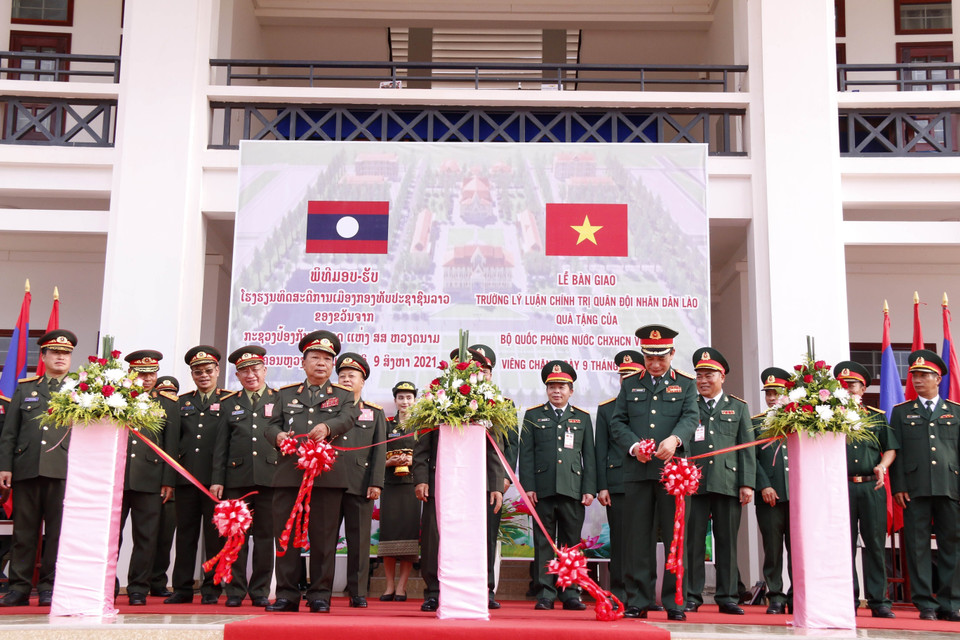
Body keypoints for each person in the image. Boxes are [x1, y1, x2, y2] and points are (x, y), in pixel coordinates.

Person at [608, 324, 698, 621]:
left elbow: (690, 417)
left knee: (674, 537)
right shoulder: (630, 384)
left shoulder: (685, 384)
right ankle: (638, 599)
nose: (655, 364)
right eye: (650, 358)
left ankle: (675, 602)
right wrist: (634, 447)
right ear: (643, 356)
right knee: (637, 538)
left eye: (661, 358)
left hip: (673, 474)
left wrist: (675, 439)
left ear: (672, 353)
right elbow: (618, 422)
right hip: (637, 472)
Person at [267, 330, 360, 613]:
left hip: (326, 477)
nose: (321, 363)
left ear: (333, 366)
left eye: (327, 359)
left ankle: (320, 595)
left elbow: (348, 418)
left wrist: (328, 427)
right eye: (315, 358)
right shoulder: (284, 395)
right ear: (304, 362)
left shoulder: (344, 395)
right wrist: (279, 437)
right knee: (286, 535)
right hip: (289, 474)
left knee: (323, 538)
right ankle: (286, 595)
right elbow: (270, 425)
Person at [412, 347, 502, 613]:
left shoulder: (489, 402)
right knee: (434, 536)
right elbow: (422, 446)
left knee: (478, 537)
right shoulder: (435, 397)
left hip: (478, 484)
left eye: (477, 367)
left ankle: (481, 590)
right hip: (438, 480)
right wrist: (420, 478)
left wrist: (496, 485)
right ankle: (433, 592)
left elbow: (495, 450)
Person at [0, 330, 77, 607]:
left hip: (64, 471)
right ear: (43, 356)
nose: (60, 357)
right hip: (27, 468)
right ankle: (19, 587)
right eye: (55, 352)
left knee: (57, 533)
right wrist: (5, 467)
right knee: (24, 532)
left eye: (65, 353)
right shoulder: (25, 388)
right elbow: (10, 432)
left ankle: (49, 586)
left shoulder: (81, 391)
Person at [519, 360, 596, 611]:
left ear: (571, 390)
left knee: (570, 542)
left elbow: (589, 457)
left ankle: (570, 592)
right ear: (546, 389)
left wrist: (589, 488)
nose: (557, 391)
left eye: (562, 386)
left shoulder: (582, 418)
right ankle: (545, 592)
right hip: (542, 490)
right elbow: (526, 454)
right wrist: (528, 486)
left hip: (573, 489)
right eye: (552, 386)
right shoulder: (533, 415)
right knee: (543, 542)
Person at [890, 350, 960, 621]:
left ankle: (950, 602)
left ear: (938, 378)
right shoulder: (902, 412)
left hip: (949, 487)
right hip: (914, 489)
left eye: (923, 376)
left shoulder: (955, 411)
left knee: (951, 545)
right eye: (914, 376)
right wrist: (898, 486)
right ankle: (924, 603)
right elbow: (897, 453)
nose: (917, 381)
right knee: (917, 546)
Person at [684, 347, 755, 615]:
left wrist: (747, 483)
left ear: (722, 376)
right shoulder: (688, 407)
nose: (703, 380)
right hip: (694, 484)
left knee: (726, 542)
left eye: (709, 375)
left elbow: (746, 447)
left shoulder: (738, 407)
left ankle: (727, 596)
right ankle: (692, 595)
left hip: (728, 483)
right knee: (694, 543)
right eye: (699, 375)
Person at [210, 345, 281, 607]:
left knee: (265, 538)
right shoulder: (229, 403)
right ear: (237, 377)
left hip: (270, 477)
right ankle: (235, 591)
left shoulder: (280, 399)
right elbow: (221, 446)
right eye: (244, 371)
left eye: (255, 369)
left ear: (265, 370)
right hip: (236, 479)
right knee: (236, 537)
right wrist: (217, 479)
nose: (250, 375)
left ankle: (260, 590)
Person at [165, 346, 229, 605]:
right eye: (197, 371)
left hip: (216, 483)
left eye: (208, 371)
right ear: (192, 374)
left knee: (215, 538)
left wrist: (220, 479)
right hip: (186, 480)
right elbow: (171, 445)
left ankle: (212, 588)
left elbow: (226, 445)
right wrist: (169, 480)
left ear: (217, 371)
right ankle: (181, 588)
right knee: (186, 535)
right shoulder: (182, 402)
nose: (203, 375)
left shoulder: (228, 401)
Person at [834, 361, 897, 618]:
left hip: (871, 487)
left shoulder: (876, 416)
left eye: (852, 385)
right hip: (841, 487)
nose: (847, 389)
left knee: (874, 543)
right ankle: (846, 599)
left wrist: (882, 465)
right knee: (843, 545)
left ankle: (878, 600)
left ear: (863, 387)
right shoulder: (826, 418)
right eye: (842, 385)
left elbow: (890, 449)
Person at [120, 350, 179, 605]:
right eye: (141, 374)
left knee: (146, 538)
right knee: (112, 535)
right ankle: (107, 582)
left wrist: (168, 481)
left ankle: (138, 588)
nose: (146, 379)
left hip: (151, 479)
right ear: (130, 374)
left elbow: (171, 446)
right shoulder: (116, 399)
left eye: (151, 374)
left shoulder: (167, 403)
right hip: (118, 479)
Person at [333, 352, 386, 608]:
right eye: (342, 376)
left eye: (351, 376)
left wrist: (376, 482)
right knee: (324, 541)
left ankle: (358, 592)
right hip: (328, 484)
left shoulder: (374, 413)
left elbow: (379, 450)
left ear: (362, 381)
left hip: (361, 485)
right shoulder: (326, 410)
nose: (346, 380)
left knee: (359, 541)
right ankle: (319, 590)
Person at [594, 349, 644, 607]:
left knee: (645, 540)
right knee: (621, 541)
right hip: (618, 484)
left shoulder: (651, 405)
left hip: (647, 482)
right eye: (623, 375)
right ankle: (619, 593)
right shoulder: (607, 409)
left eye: (633, 374)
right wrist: (602, 486)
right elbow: (600, 450)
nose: (627, 379)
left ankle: (643, 594)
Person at [469, 343, 514, 609]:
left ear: (490, 374)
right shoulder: (449, 402)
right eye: (475, 368)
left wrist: (503, 478)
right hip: (458, 483)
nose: (480, 373)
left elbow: (507, 445)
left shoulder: (502, 404)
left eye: (484, 370)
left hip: (489, 482)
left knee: (487, 537)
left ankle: (486, 589)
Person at [752, 367, 792, 615]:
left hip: (798, 496)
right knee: (773, 549)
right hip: (769, 496)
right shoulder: (756, 423)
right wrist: (764, 485)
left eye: (776, 392)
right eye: (768, 393)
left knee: (799, 548)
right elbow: (751, 458)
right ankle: (775, 596)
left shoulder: (801, 420)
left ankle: (798, 595)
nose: (771, 397)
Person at [378, 381, 420, 602]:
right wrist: (389, 461)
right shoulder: (385, 425)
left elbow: (426, 455)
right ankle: (389, 586)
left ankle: (402, 587)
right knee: (388, 535)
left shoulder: (422, 426)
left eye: (409, 398)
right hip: (390, 485)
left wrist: (413, 460)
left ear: (415, 400)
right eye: (401, 398)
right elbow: (376, 454)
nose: (405, 402)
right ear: (395, 400)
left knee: (408, 537)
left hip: (412, 487)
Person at [150, 375, 179, 598]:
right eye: (165, 391)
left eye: (173, 391)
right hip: (153, 480)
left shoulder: (178, 409)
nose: (170, 395)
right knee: (148, 534)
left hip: (177, 485)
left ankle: (158, 580)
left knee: (165, 538)